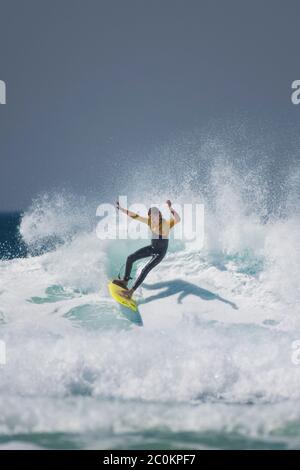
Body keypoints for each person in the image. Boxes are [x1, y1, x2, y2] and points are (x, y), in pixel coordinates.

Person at [114, 200, 181, 298]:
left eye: (156, 216)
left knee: (145, 269)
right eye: (152, 217)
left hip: (160, 252)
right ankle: (125, 281)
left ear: (160, 215)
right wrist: (122, 209)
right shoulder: (149, 221)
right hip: (152, 247)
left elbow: (178, 219)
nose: (154, 219)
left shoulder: (165, 224)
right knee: (130, 258)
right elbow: (135, 216)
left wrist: (170, 208)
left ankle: (131, 292)